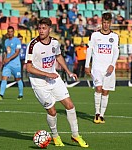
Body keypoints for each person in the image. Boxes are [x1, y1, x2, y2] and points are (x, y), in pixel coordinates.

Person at [25, 18, 88, 148]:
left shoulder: (55, 43)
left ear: (50, 29)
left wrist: (68, 72)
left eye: (44, 28)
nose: (41, 31)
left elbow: (58, 56)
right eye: (40, 28)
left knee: (70, 105)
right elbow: (29, 68)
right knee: (52, 112)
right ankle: (55, 136)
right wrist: (47, 74)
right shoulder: (33, 45)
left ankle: (75, 135)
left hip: (54, 79)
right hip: (39, 83)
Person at [85, 12, 119, 124]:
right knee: (98, 88)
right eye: (104, 22)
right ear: (101, 22)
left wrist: (112, 65)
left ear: (110, 23)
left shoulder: (114, 37)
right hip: (97, 67)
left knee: (105, 91)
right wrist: (87, 65)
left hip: (108, 68)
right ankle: (97, 113)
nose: (105, 25)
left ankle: (102, 115)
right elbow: (89, 50)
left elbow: (116, 52)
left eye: (107, 23)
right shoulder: (95, 35)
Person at [0, 26, 24, 101]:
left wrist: (8, 59)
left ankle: (20, 95)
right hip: (8, 64)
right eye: (8, 31)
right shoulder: (6, 41)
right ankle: (1, 95)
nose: (10, 33)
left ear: (13, 32)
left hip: (16, 64)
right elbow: (6, 51)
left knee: (18, 79)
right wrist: (4, 60)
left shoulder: (17, 41)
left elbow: (17, 52)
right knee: (4, 78)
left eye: (11, 31)